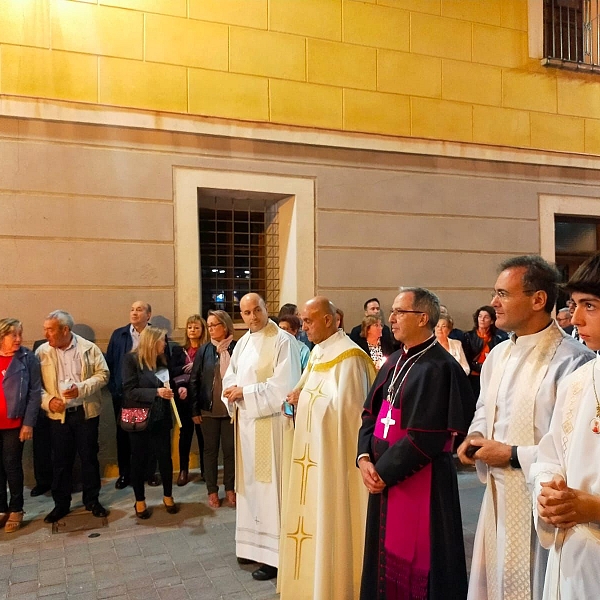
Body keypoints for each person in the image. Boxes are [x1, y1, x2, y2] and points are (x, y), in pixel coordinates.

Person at [457, 255, 594, 600]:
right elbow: (486, 408)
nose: (493, 303)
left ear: (538, 300)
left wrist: (513, 455)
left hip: (544, 501)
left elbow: (567, 445)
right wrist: (475, 436)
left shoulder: (573, 360)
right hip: (499, 496)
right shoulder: (499, 355)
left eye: (503, 294)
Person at [357, 288, 475, 599]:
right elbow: (370, 414)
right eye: (391, 312)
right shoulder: (393, 361)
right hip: (383, 478)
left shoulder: (440, 367)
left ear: (423, 318)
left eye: (399, 312)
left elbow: (427, 436)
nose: (390, 319)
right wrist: (364, 457)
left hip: (421, 480)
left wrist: (383, 472)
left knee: (425, 565)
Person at [279, 297, 376, 600]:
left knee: (330, 520)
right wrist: (297, 397)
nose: (303, 326)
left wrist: (304, 400)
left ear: (329, 320)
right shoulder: (319, 352)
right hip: (311, 457)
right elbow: (311, 393)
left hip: (335, 463)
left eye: (308, 321)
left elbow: (351, 415)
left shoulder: (350, 358)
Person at [530, 252, 600, 599]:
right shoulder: (579, 380)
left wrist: (595, 509)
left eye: (590, 306)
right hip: (572, 554)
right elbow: (550, 454)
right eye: (574, 306)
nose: (576, 319)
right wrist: (548, 490)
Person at [222, 293, 301, 581]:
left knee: (270, 490)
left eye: (257, 310)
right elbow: (230, 375)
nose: (253, 317)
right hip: (245, 426)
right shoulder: (242, 343)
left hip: (270, 427)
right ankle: (252, 546)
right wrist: (231, 391)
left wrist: (246, 392)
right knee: (250, 487)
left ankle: (274, 557)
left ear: (267, 308)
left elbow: (284, 386)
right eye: (246, 313)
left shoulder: (283, 341)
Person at [37, 310, 109, 523]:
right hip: (58, 416)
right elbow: (35, 386)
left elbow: (103, 374)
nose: (46, 334)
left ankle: (92, 500)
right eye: (45, 329)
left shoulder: (88, 348)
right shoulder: (42, 352)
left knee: (89, 458)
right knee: (60, 461)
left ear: (65, 330)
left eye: (50, 329)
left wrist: (82, 388)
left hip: (85, 413)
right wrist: (49, 400)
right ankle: (61, 504)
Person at [122, 326, 178, 519]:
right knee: (138, 459)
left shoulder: (162, 361)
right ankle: (139, 501)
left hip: (161, 417)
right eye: (162, 340)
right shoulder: (131, 360)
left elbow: (167, 383)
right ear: (152, 342)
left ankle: (168, 496)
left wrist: (173, 390)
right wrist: (156, 393)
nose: (165, 344)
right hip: (140, 418)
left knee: (165, 458)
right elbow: (129, 390)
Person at [106, 301, 161, 489]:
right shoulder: (119, 335)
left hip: (149, 395)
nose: (134, 313)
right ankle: (125, 474)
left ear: (149, 315)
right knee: (124, 435)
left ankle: (150, 472)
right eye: (132, 309)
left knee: (150, 434)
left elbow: (162, 363)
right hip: (125, 396)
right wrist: (115, 388)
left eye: (139, 310)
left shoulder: (156, 335)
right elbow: (111, 363)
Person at [189, 310, 236, 509]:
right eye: (208, 326)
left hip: (231, 410)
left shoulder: (236, 348)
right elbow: (194, 380)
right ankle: (212, 490)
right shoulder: (204, 350)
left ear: (224, 326)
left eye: (214, 325)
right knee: (209, 451)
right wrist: (194, 410)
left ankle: (231, 488)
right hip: (208, 409)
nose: (210, 329)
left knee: (230, 451)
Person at [0, 319, 41, 532]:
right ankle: (1, 508)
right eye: (12, 335)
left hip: (14, 422)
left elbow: (35, 393)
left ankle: (16, 508)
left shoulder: (28, 358)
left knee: (11, 465)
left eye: (19, 334)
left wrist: (28, 423)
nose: (18, 339)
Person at [170, 314, 209, 487]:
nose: (192, 330)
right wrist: (181, 383)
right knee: (185, 434)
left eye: (196, 327)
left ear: (202, 330)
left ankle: (206, 470)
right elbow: (172, 371)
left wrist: (197, 367)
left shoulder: (207, 350)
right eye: (190, 327)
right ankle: (183, 470)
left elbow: (209, 373)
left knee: (203, 436)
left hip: (201, 397)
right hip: (183, 397)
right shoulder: (179, 350)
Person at [462, 305, 508, 398]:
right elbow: (466, 359)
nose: (482, 319)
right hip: (474, 376)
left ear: (491, 321)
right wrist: (481, 368)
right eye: (480, 316)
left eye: (486, 317)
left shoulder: (499, 338)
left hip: (491, 375)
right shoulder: (468, 337)